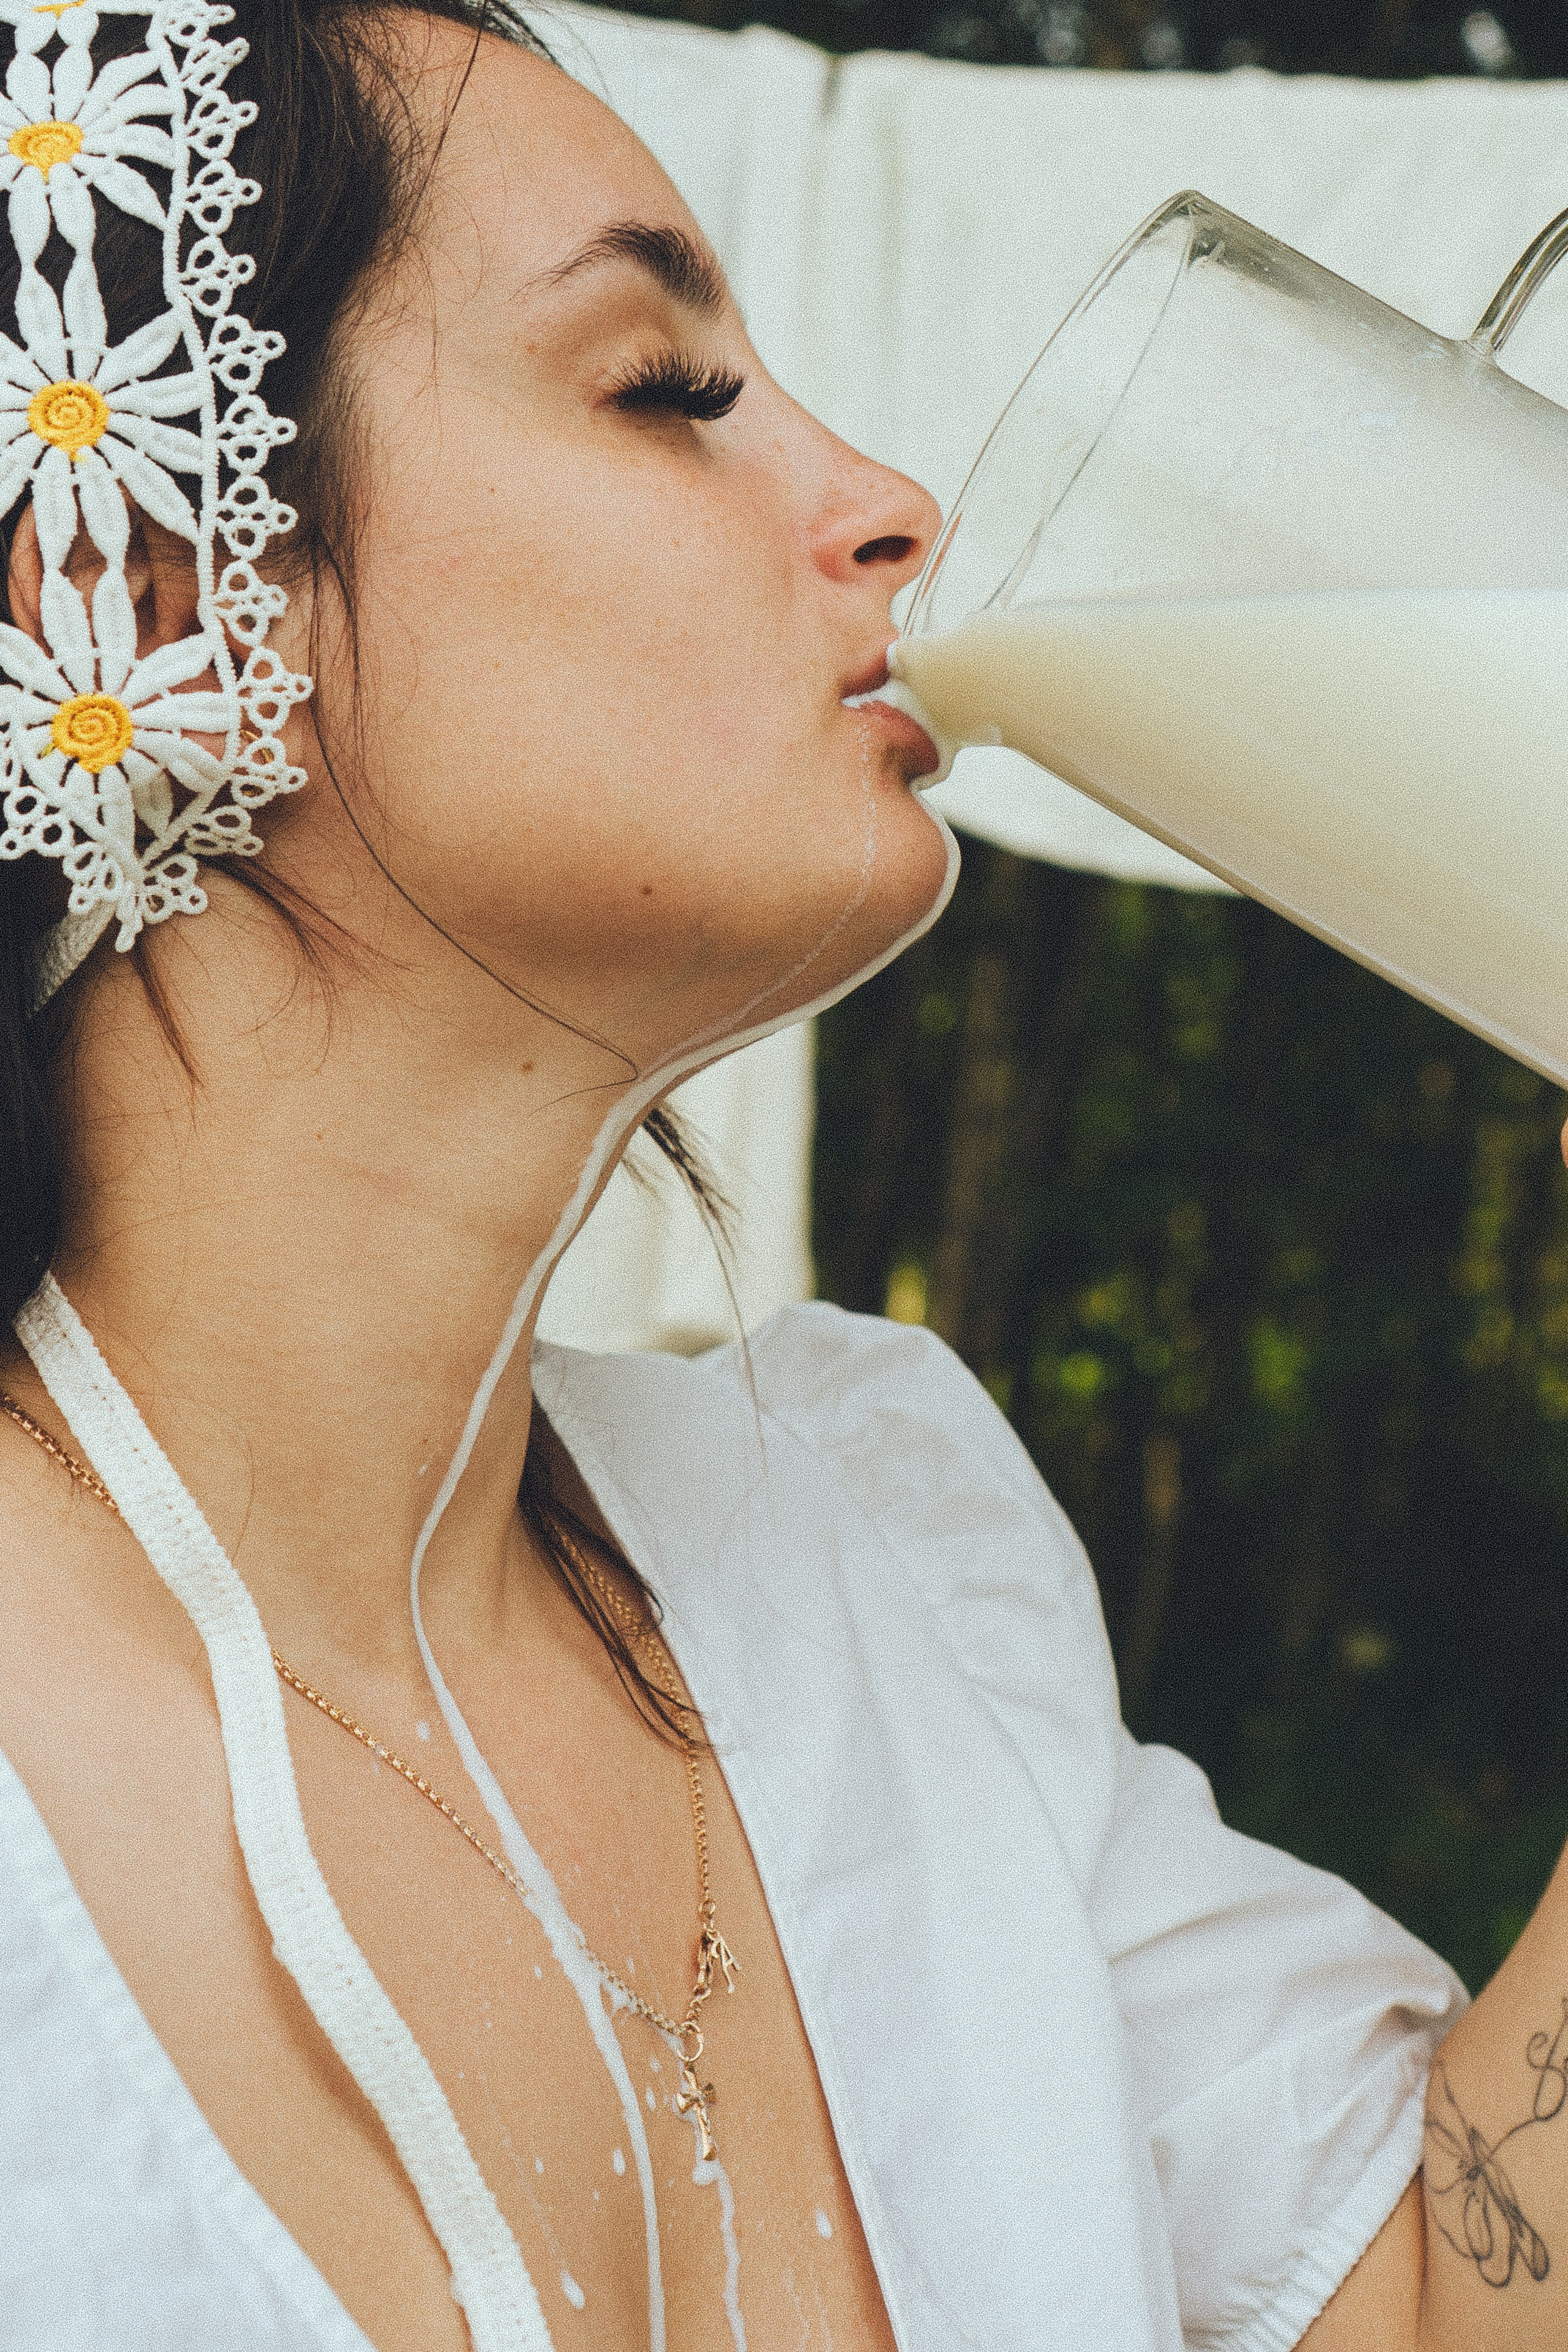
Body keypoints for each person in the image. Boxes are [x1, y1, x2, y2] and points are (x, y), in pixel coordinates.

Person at [0, 4, 1555, 2350]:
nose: (897, 500)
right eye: (665, 386)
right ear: (146, 600)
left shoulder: (868, 1562)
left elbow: (1445, 2301)